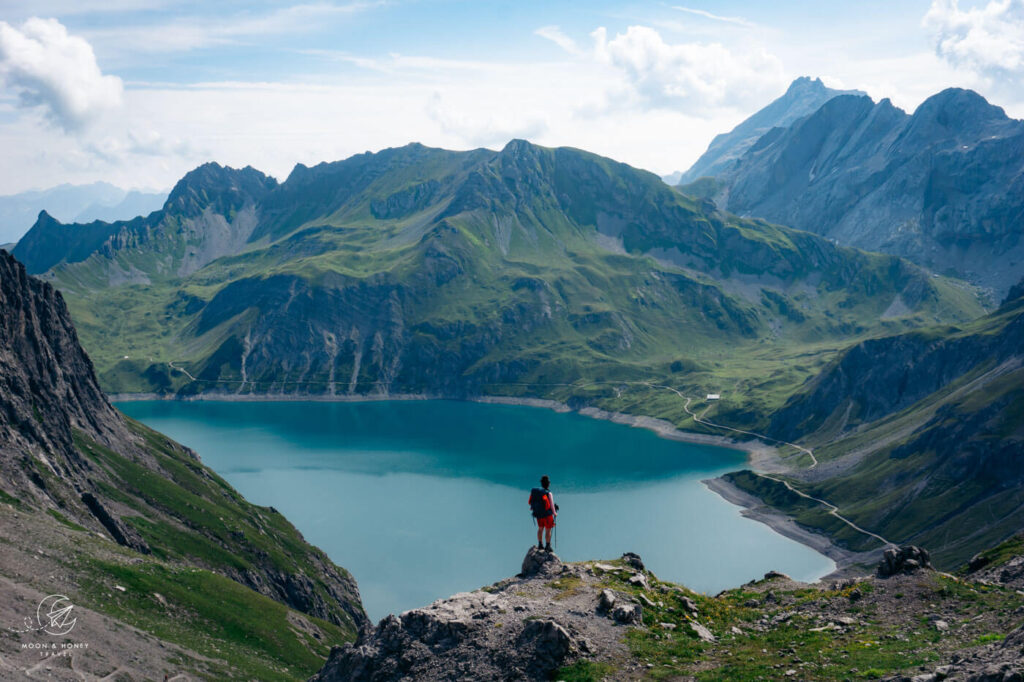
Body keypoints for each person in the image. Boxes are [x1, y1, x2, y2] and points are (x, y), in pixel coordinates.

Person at [528, 475, 559, 551]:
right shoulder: (548, 493)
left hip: (539, 515)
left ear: (541, 484)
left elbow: (530, 502)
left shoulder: (537, 492)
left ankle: (540, 544)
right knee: (548, 530)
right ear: (548, 484)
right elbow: (551, 505)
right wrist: (554, 513)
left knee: (540, 529)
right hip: (547, 515)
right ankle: (547, 546)